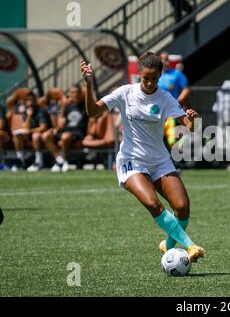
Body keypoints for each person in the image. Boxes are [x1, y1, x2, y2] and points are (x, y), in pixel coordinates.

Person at [79, 52, 205, 263]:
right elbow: (93, 112)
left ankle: (168, 244)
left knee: (182, 207)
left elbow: (193, 129)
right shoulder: (125, 93)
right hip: (131, 161)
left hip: (159, 161)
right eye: (145, 78)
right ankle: (191, 246)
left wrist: (196, 120)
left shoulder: (165, 97)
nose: (149, 82)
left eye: (154, 79)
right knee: (153, 204)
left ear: (159, 77)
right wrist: (89, 84)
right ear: (139, 74)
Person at [41, 85, 88, 172]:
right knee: (45, 136)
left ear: (81, 93)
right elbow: (62, 121)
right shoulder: (67, 106)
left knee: (65, 137)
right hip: (65, 130)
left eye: (77, 92)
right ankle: (60, 160)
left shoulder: (86, 105)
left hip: (77, 132)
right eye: (73, 93)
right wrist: (56, 128)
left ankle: (65, 161)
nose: (75, 95)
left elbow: (92, 96)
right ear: (70, 94)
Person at [10, 91, 52, 171]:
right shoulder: (26, 112)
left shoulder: (41, 111)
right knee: (17, 136)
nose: (30, 103)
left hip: (42, 136)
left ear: (35, 100)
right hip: (30, 134)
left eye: (32, 100)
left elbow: (43, 128)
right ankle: (21, 161)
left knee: (35, 136)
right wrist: (29, 116)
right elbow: (25, 127)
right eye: (28, 101)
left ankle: (39, 162)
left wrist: (30, 131)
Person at [159, 51, 190, 150]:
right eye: (164, 59)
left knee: (171, 137)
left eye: (167, 59)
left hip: (171, 112)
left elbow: (186, 89)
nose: (166, 62)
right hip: (156, 111)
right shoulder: (154, 75)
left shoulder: (176, 74)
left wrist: (177, 100)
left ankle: (176, 161)